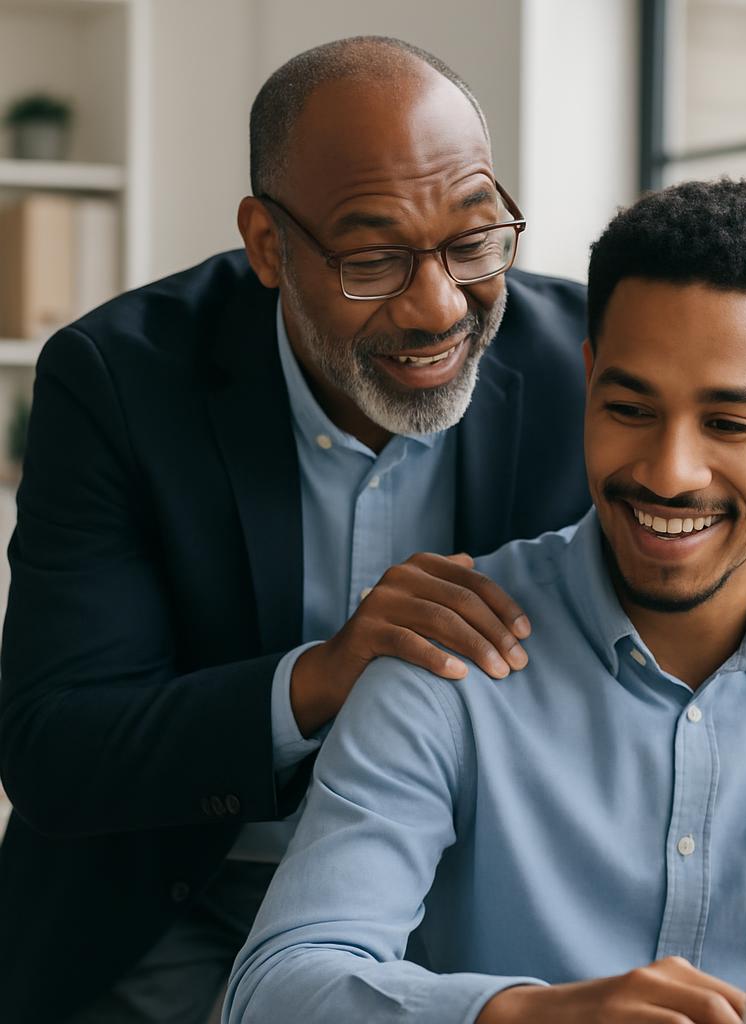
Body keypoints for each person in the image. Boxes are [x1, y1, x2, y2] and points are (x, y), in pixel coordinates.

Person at [223, 178, 746, 1024]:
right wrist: (532, 1016)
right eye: (631, 408)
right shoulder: (451, 650)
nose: (670, 472)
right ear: (588, 382)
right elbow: (277, 988)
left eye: (729, 424)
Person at [0, 37, 591, 1024]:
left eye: (473, 239)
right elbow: (56, 745)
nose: (438, 303)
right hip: (175, 902)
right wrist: (324, 674)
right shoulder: (117, 380)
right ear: (268, 244)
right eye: (373, 257)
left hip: (459, 907)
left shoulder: (585, 368)